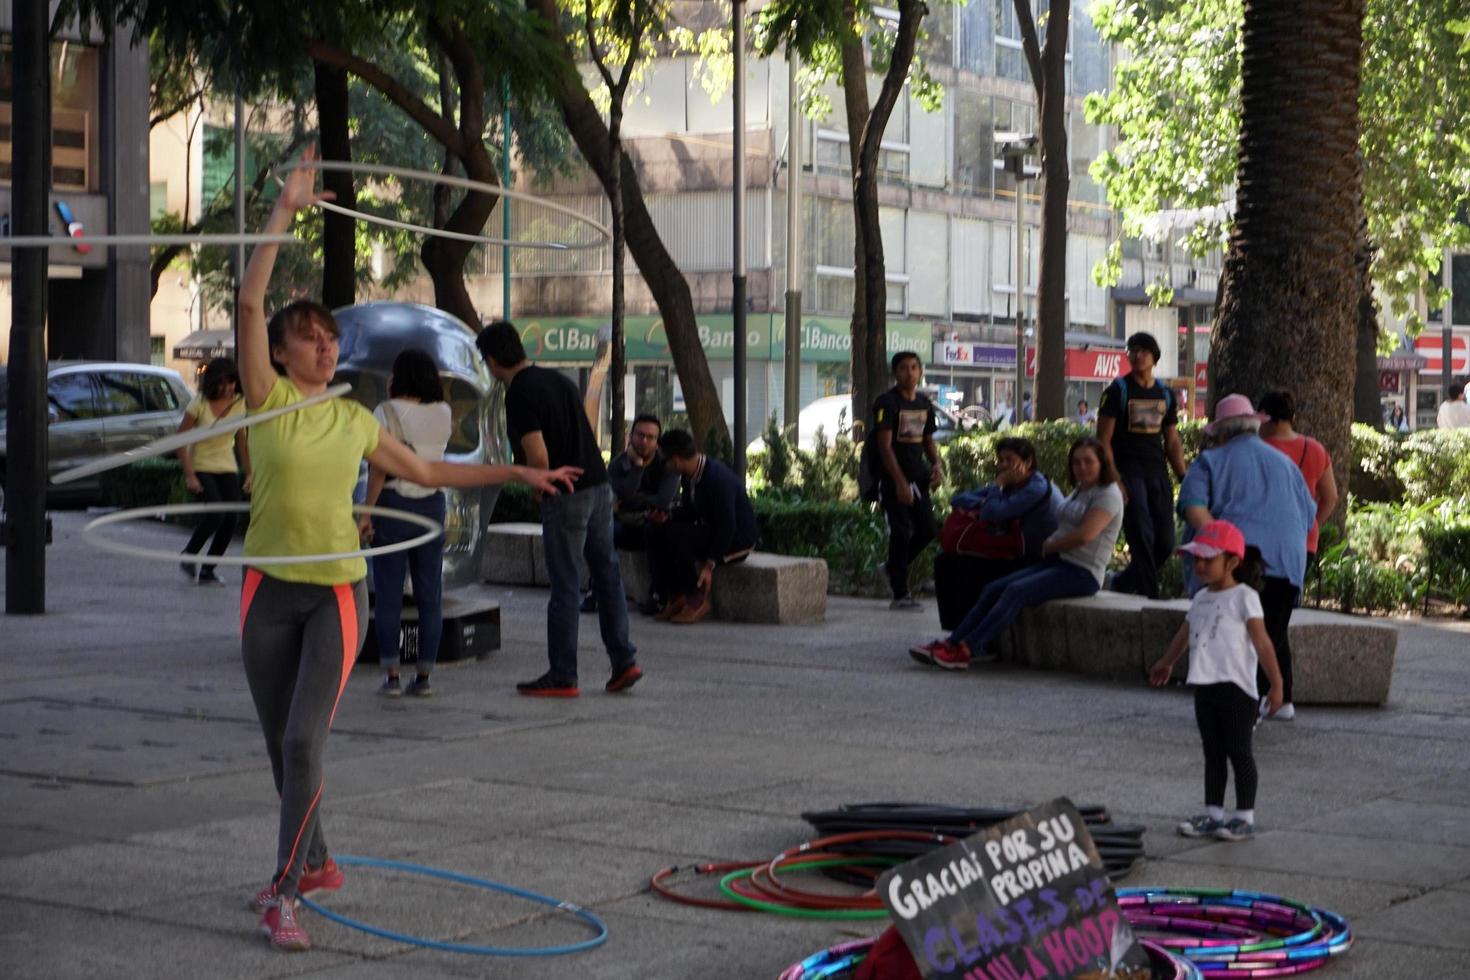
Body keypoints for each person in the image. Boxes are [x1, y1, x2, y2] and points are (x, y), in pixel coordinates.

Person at [237, 149, 579, 952]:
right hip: (266, 591)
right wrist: (285, 211)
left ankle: (287, 893)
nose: (325, 348)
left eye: (330, 338)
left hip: (335, 595)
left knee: (301, 741)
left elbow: (431, 470)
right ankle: (312, 862)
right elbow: (251, 300)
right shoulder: (265, 402)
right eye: (310, 338)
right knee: (278, 748)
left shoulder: (360, 420)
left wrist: (523, 471)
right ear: (284, 353)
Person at [475, 320, 642, 698]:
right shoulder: (559, 380)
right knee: (607, 577)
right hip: (598, 486)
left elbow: (538, 454)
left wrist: (538, 485)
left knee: (566, 584)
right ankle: (624, 661)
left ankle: (563, 674)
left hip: (564, 492)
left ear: (490, 360)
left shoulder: (518, 393)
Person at [911, 437, 1124, 670]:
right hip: (1057, 561)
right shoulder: (1081, 489)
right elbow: (963, 501)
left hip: (1082, 572)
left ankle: (968, 649)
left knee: (1015, 591)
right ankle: (951, 643)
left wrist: (1049, 545)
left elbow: (1085, 535)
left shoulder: (1108, 494)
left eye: (1088, 462)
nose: (1081, 467)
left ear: (1102, 463)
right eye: (1076, 462)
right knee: (993, 588)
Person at [1177, 394, 1316, 723]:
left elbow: (1192, 506)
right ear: (1254, 425)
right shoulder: (1285, 464)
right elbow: (1309, 516)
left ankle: (1245, 707)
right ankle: (1283, 701)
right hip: (1287, 561)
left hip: (1238, 560)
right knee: (1271, 632)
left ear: (1220, 432)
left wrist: (1219, 542)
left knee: (1239, 637)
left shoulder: (1209, 461)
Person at [1149, 520, 1284, 842]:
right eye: (1196, 558)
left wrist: (1277, 684)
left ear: (1233, 562)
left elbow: (1263, 642)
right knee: (1213, 751)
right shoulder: (1200, 599)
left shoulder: (1244, 597)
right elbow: (1184, 634)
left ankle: (1244, 816)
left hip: (1237, 690)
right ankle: (1213, 813)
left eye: (1208, 559)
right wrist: (1167, 662)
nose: (1200, 565)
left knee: (1239, 751)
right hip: (1205, 687)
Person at [358, 349, 452, 699]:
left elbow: (379, 468)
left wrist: (366, 513)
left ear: (398, 377)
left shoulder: (384, 412)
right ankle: (425, 675)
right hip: (431, 505)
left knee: (389, 594)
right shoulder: (444, 412)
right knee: (430, 595)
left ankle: (392, 676)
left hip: (394, 506)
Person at [933, 437, 1059, 631]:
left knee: (970, 565)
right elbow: (958, 500)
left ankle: (970, 635)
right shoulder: (1010, 484)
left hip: (1032, 557)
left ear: (1027, 462)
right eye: (1001, 460)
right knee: (944, 560)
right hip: (1009, 547)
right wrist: (993, 494)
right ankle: (956, 630)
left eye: (1010, 459)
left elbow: (991, 513)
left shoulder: (1036, 487)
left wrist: (997, 488)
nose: (1004, 465)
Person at [1097, 331, 1188, 599]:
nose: (1137, 356)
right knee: (1141, 537)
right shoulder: (1117, 391)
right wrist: (1115, 478)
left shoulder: (1165, 393)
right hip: (1128, 474)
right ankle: (1152, 595)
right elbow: (1103, 440)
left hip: (1157, 474)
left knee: (1165, 542)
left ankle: (1122, 583)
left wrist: (1183, 475)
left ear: (1155, 358)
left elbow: (1172, 441)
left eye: (1143, 351)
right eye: (1132, 351)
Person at [647, 429, 758, 624]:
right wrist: (668, 516)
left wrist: (710, 564)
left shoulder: (717, 479)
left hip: (735, 540)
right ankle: (676, 595)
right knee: (655, 530)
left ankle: (696, 598)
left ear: (677, 460)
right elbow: (692, 511)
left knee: (679, 535)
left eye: (664, 461)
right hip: (712, 530)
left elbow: (728, 526)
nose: (663, 465)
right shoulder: (689, 475)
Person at [580, 413, 680, 615]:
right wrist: (638, 467)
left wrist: (629, 502)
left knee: (657, 532)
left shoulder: (668, 464)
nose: (644, 441)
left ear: (657, 441)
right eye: (640, 435)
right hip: (625, 525)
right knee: (602, 533)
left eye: (651, 437)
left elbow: (663, 501)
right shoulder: (619, 464)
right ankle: (597, 591)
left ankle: (658, 596)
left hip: (654, 524)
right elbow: (616, 495)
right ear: (631, 436)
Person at [872, 351, 943, 609]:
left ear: (920, 372)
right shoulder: (886, 403)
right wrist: (899, 482)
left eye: (914, 367)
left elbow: (927, 441)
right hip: (892, 479)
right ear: (895, 373)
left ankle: (892, 566)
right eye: (904, 368)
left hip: (919, 477)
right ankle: (900, 593)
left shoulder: (924, 404)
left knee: (927, 530)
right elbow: (884, 447)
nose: (910, 373)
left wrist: (936, 463)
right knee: (900, 532)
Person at [176, 357, 250, 585]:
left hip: (226, 466)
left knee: (231, 519)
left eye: (231, 383)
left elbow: (242, 440)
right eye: (222, 383)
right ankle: (189, 554)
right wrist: (190, 474)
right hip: (202, 466)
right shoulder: (198, 403)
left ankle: (209, 569)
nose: (228, 388)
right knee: (216, 515)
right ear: (212, 383)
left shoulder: (239, 403)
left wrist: (249, 473)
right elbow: (180, 440)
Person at [1259, 389, 1339, 572]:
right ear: (1292, 417)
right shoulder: (1316, 449)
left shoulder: (1258, 449)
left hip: (1265, 541)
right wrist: (1312, 524)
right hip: (1303, 541)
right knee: (1292, 597)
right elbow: (1331, 497)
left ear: (1263, 417)